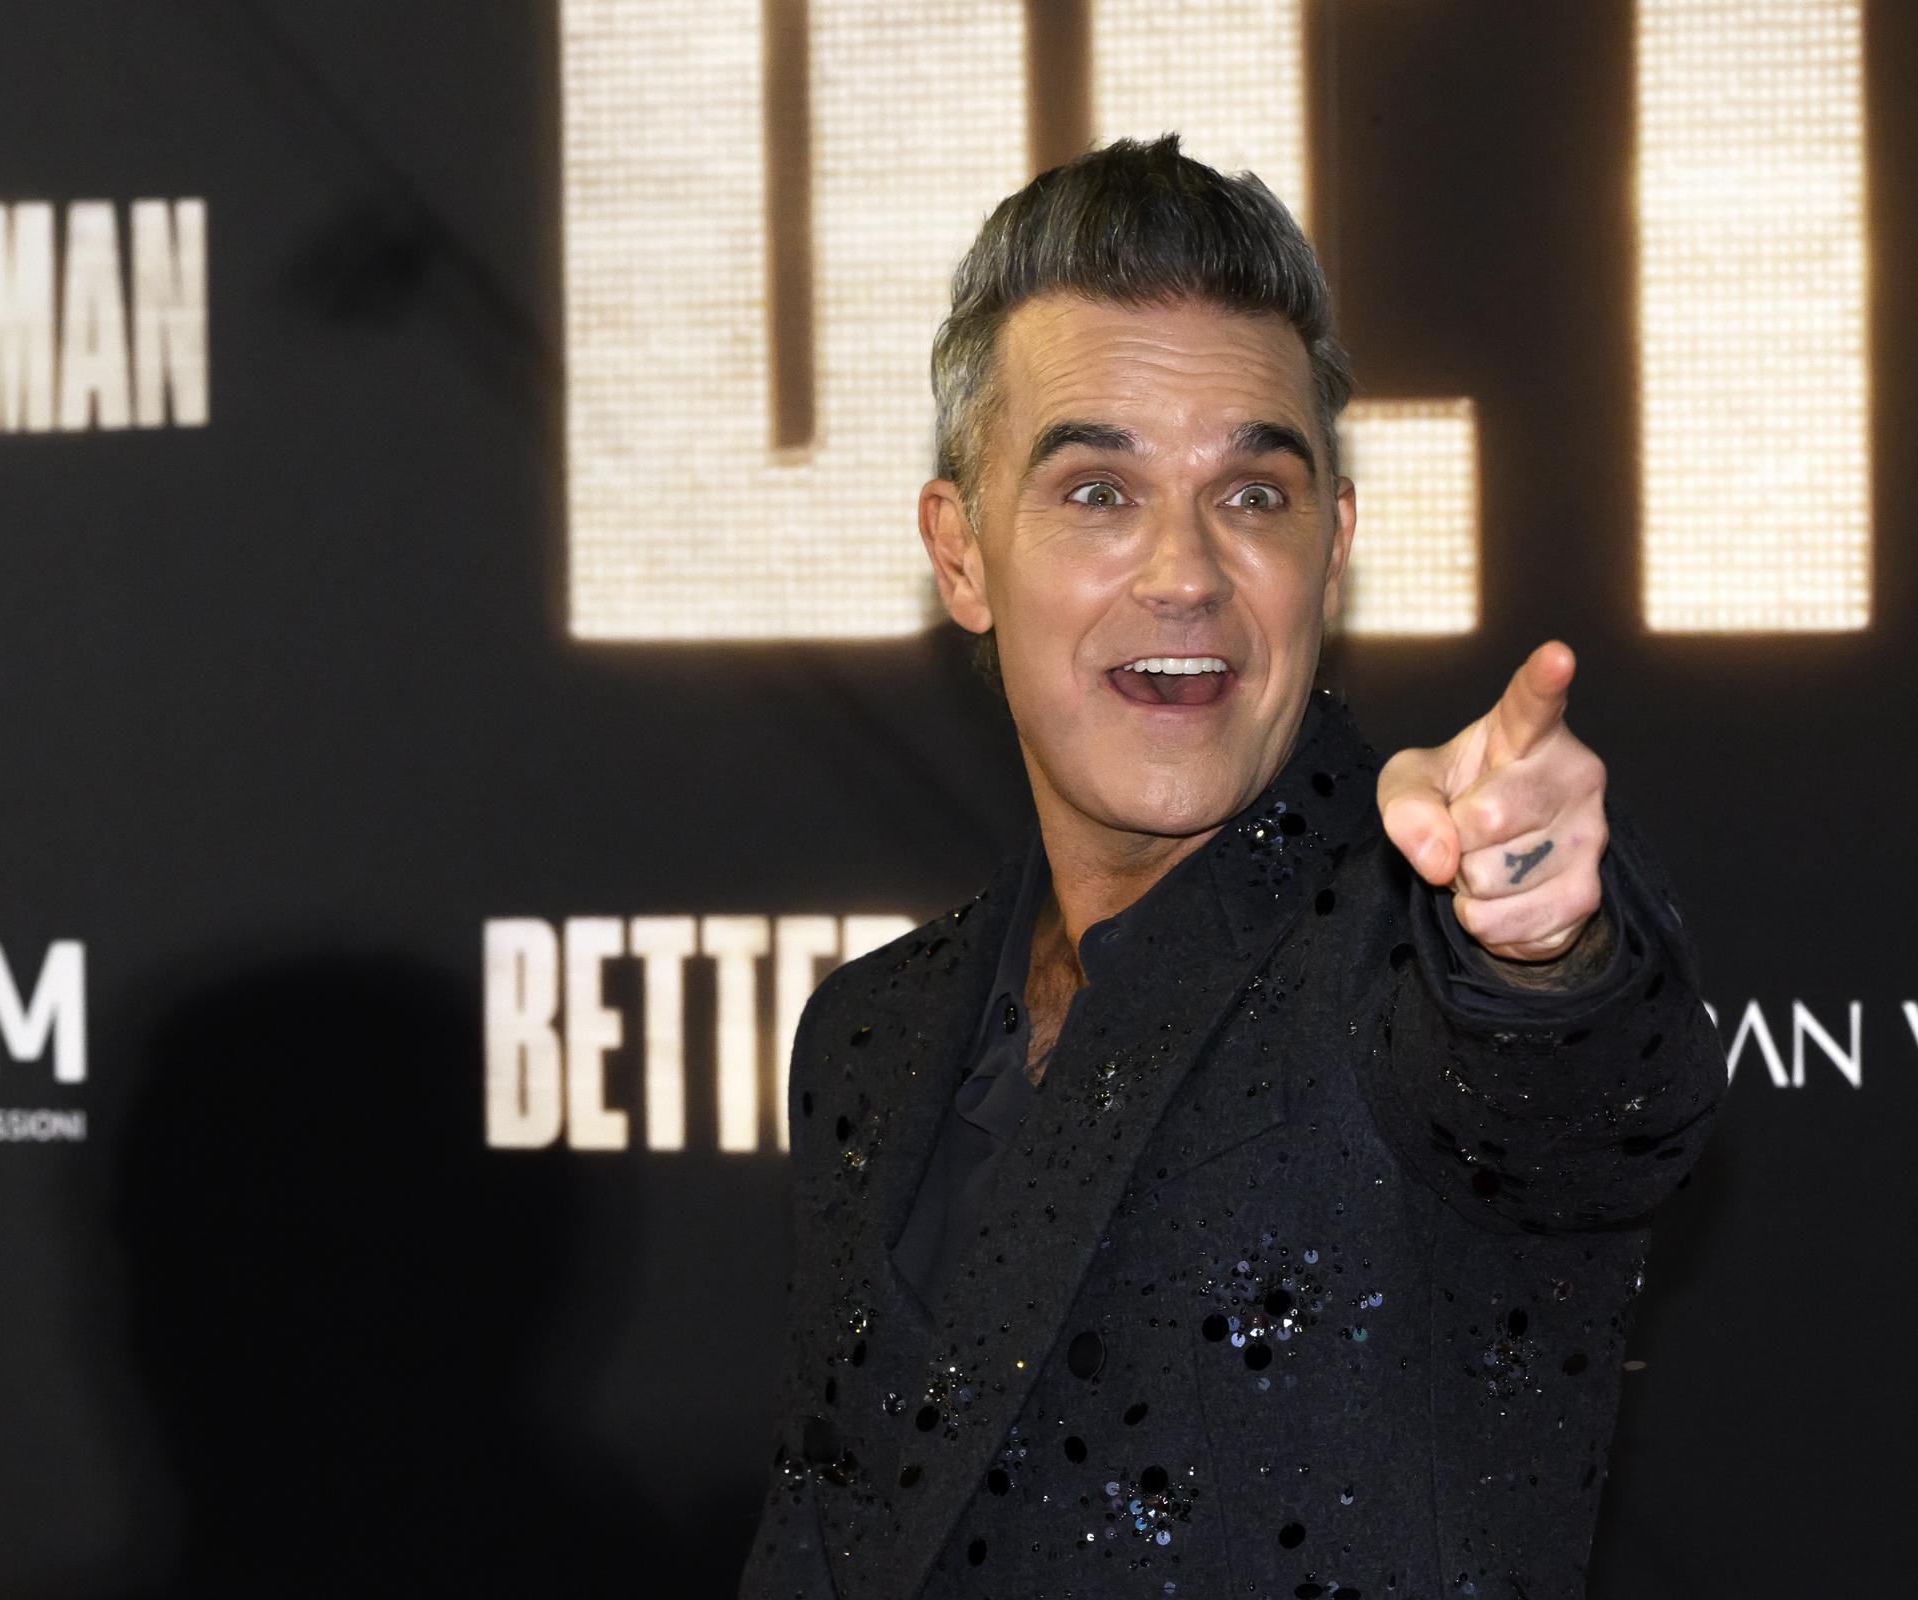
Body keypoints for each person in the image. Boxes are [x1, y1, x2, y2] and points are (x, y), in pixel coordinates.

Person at [736, 134, 1728, 1600]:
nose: (1185, 571)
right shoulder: (871, 1035)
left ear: (1331, 551)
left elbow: (1579, 1093)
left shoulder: (1404, 953)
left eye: (1253, 496)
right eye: (1096, 492)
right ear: (960, 554)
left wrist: (1534, 944)